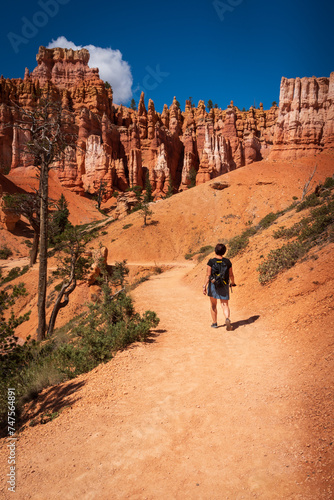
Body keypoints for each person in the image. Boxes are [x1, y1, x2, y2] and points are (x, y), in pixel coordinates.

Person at [202, 243, 235, 330]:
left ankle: (214, 323)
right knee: (225, 305)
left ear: (215, 251)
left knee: (213, 305)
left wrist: (204, 286)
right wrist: (233, 282)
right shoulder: (227, 262)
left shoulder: (211, 262)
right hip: (224, 285)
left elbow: (208, 275)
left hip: (213, 285)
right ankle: (227, 318)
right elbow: (231, 274)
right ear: (224, 251)